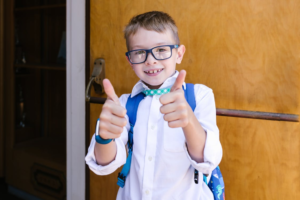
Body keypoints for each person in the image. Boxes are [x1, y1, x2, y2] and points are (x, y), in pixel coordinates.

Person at [85, 11, 222, 200]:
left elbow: (207, 161)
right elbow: (103, 164)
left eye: (161, 49)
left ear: (179, 54)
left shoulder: (199, 96)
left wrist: (188, 120)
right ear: (130, 61)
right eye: (140, 52)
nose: (151, 60)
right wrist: (104, 137)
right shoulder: (125, 104)